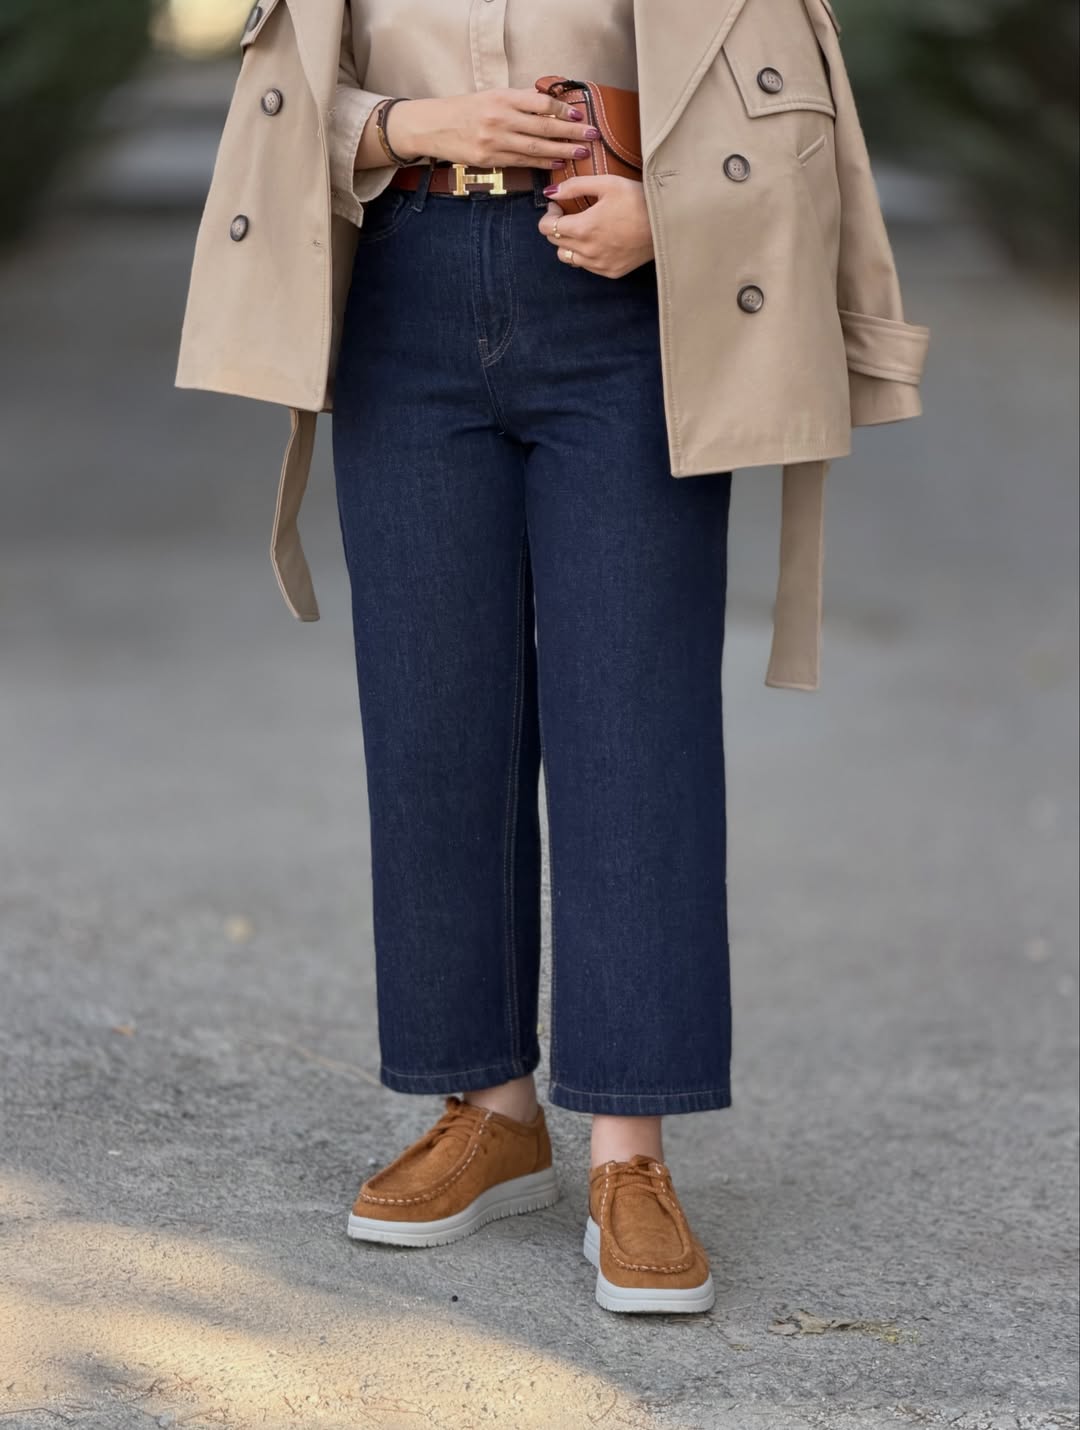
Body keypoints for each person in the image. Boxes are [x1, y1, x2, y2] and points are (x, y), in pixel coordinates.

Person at [175, 0, 929, 1316]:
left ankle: (630, 1153)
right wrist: (411, 123)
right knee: (433, 722)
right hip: (403, 287)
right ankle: (491, 1109)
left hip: (627, 310)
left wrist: (672, 219)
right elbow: (286, 101)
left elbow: (787, 115)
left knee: (635, 731)